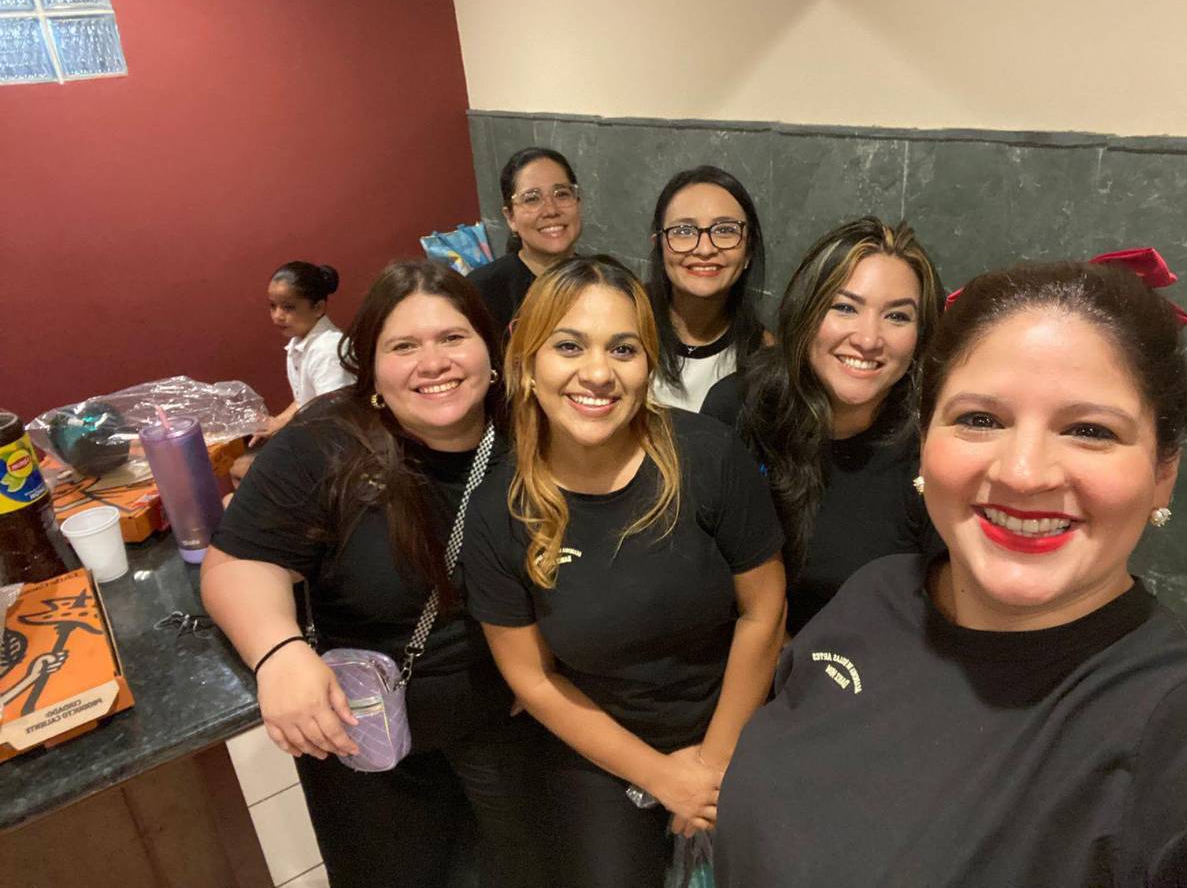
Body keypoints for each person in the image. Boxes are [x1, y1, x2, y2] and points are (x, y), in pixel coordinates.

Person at [715, 257, 1187, 887]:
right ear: (925, 441)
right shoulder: (876, 593)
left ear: (1164, 471)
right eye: (980, 420)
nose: (1023, 474)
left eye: (1089, 430)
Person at [202, 260, 547, 888]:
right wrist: (278, 654)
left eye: (452, 337)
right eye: (403, 346)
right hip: (365, 727)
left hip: (513, 723)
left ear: (490, 351)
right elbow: (239, 562)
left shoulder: (534, 431)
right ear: (372, 367)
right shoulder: (325, 442)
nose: (433, 362)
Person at [461, 255, 787, 888]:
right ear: (526, 365)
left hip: (739, 718)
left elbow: (763, 610)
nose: (598, 373)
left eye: (623, 349)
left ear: (647, 365)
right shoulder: (499, 511)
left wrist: (714, 765)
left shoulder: (708, 455)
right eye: (568, 346)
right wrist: (660, 777)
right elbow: (533, 679)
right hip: (602, 747)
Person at [703, 217, 944, 633]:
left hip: (871, 662)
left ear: (921, 335)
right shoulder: (739, 407)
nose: (868, 339)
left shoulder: (933, 445)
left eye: (897, 316)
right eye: (845, 307)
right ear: (806, 311)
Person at [645, 166, 768, 412]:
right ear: (659, 247)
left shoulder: (764, 356)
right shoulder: (621, 321)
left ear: (749, 251)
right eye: (683, 231)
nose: (704, 249)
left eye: (725, 230)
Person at [467, 147, 584, 337]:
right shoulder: (481, 291)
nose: (551, 210)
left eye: (562, 194)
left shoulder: (605, 283)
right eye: (532, 199)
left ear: (578, 203)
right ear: (510, 217)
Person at [259, 260, 354, 440]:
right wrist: (279, 421)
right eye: (273, 306)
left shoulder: (328, 351)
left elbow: (335, 418)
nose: (277, 315)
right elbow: (304, 400)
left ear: (318, 308)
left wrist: (286, 434)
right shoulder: (299, 341)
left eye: (288, 307)